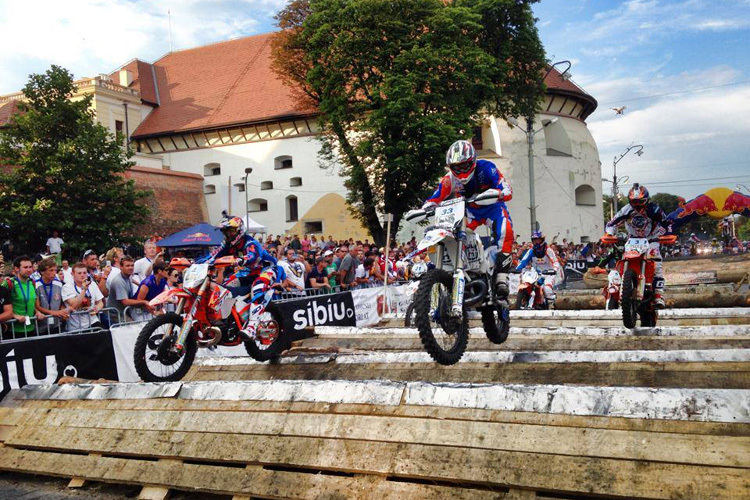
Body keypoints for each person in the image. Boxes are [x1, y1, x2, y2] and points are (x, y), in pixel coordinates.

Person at [417, 139, 514, 301]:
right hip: (468, 210)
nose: (461, 170)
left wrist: (499, 193)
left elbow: (506, 188)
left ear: (473, 161)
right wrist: (424, 209)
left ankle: (501, 278)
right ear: (451, 167)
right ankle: (462, 270)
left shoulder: (487, 167)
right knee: (453, 234)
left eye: (464, 165)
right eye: (456, 167)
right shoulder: (449, 179)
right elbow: (435, 197)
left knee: (505, 230)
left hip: (492, 206)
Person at [197, 214, 282, 340]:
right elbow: (213, 256)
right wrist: (195, 263)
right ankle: (228, 320)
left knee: (258, 287)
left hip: (268, 269)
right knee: (226, 287)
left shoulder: (250, 242)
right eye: (226, 232)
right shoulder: (227, 245)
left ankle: (252, 327)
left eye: (231, 231)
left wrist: (241, 260)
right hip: (249, 272)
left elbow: (253, 255)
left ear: (239, 230)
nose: (228, 234)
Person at [605, 183, 669, 308]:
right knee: (622, 261)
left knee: (657, 265)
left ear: (646, 200)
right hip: (632, 240)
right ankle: (617, 289)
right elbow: (612, 223)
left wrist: (664, 234)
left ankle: (658, 295)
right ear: (630, 201)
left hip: (651, 239)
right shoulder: (626, 209)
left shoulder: (654, 209)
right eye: (634, 202)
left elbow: (666, 223)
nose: (638, 205)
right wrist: (609, 234)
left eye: (640, 202)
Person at [514, 231, 563, 306]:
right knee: (528, 283)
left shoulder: (548, 250)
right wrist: (516, 269)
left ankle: (551, 305)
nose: (536, 242)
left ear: (542, 240)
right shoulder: (531, 250)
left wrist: (554, 270)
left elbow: (555, 262)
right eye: (534, 240)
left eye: (538, 240)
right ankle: (526, 300)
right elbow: (524, 261)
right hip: (536, 273)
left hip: (549, 273)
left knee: (547, 288)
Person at [3, 256, 44, 338]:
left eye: (30, 267)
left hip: (31, 328)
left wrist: (37, 312)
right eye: (25, 267)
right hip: (13, 330)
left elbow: (30, 302)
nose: (29, 270)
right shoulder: (9, 283)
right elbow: (2, 305)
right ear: (17, 268)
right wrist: (14, 316)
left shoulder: (32, 283)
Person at [107, 256, 153, 322]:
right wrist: (144, 301)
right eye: (127, 266)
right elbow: (125, 302)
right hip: (116, 314)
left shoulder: (128, 276)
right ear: (121, 267)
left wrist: (142, 286)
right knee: (135, 327)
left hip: (125, 311)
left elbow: (134, 281)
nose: (130, 268)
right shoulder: (119, 281)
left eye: (132, 265)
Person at [62, 262, 104, 332]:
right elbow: (74, 305)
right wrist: (84, 289)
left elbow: (100, 302)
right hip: (76, 326)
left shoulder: (92, 284)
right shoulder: (67, 287)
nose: (82, 275)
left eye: (84, 273)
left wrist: (97, 308)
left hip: (93, 321)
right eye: (79, 273)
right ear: (72, 274)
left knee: (104, 334)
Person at [34, 257, 68, 333]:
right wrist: (53, 312)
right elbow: (37, 306)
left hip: (57, 324)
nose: (54, 273)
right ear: (42, 272)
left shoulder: (59, 284)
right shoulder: (36, 285)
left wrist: (63, 311)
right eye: (51, 270)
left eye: (55, 270)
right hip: (41, 326)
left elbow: (62, 302)